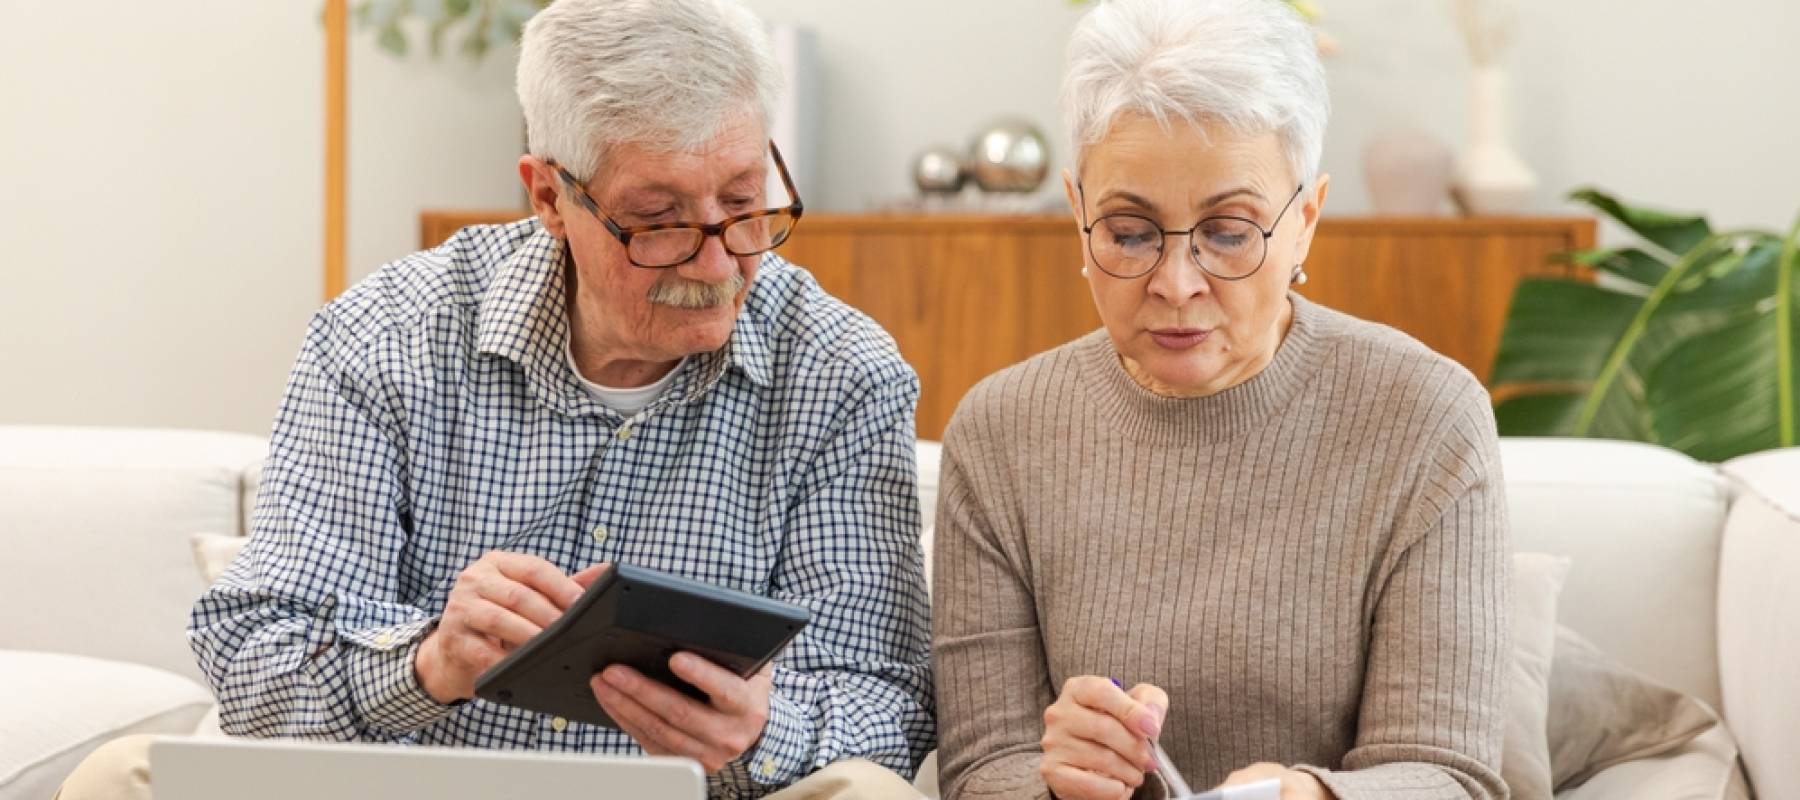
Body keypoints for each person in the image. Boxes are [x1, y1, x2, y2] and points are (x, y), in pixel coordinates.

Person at [58, 1, 933, 798]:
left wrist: (756, 732)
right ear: (549, 194)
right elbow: (255, 657)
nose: (715, 265)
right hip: (421, 786)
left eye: (743, 205)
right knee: (118, 779)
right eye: (660, 221)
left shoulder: (841, 371)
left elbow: (889, 705)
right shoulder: (384, 337)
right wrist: (426, 663)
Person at [930, 0, 1510, 798]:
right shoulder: (1000, 433)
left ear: (1305, 219)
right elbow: (979, 768)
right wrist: (1053, 782)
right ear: (1076, 212)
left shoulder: (1425, 415)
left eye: (1229, 232)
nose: (1176, 284)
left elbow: (1449, 775)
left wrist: (1312, 796)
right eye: (1129, 233)